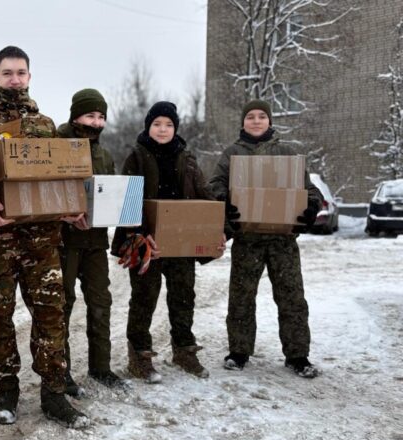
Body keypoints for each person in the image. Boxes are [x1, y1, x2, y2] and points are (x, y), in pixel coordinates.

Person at [0, 46, 90, 429]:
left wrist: (70, 206)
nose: (15, 79)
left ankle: (53, 392)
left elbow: (58, 177)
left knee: (52, 313)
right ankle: (6, 389)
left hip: (41, 239)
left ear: (30, 76)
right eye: (8, 73)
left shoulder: (45, 125)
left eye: (21, 72)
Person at [208, 99, 323, 378]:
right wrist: (225, 201)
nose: (256, 121)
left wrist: (310, 207)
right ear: (243, 122)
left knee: (292, 298)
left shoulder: (287, 153)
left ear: (270, 121)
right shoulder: (232, 154)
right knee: (241, 297)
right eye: (250, 117)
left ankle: (298, 355)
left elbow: (310, 191)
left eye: (262, 116)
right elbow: (214, 186)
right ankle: (239, 351)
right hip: (247, 239)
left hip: (283, 241)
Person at [113, 101, 223, 384]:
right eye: (157, 124)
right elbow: (127, 203)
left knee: (184, 296)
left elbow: (203, 195)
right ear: (148, 127)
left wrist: (219, 229)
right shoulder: (137, 156)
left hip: (180, 241)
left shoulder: (186, 158)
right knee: (144, 298)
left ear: (176, 128)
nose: (163, 130)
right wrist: (140, 234)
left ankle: (184, 350)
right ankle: (139, 356)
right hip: (143, 241)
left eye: (169, 125)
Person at [57, 89, 124, 395]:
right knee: (62, 306)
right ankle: (61, 372)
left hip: (96, 240)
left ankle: (101, 367)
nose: (96, 123)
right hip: (63, 241)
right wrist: (65, 214)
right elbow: (43, 192)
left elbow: (107, 193)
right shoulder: (56, 145)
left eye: (100, 117)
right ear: (75, 116)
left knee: (101, 302)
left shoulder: (105, 154)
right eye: (90, 115)